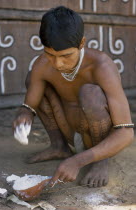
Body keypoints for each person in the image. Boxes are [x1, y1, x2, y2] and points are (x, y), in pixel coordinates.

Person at [13, 6, 134, 188]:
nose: (58, 63)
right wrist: (24, 115)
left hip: (97, 135)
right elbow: (29, 105)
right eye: (50, 54)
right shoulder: (43, 64)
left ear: (82, 43)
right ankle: (59, 146)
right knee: (33, 77)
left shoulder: (101, 66)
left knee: (90, 93)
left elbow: (125, 132)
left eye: (66, 56)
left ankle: (100, 161)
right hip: (67, 126)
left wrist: (78, 161)